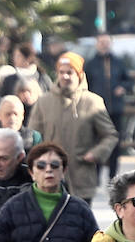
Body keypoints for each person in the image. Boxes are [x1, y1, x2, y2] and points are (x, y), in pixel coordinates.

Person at [29, 51, 118, 203]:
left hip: (81, 178)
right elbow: (32, 136)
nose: (65, 76)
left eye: (70, 72)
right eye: (61, 72)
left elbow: (110, 135)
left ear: (79, 75)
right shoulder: (44, 102)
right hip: (49, 178)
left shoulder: (93, 102)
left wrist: (95, 154)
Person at [84, 33, 135, 181]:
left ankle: (113, 177)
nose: (104, 45)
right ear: (97, 44)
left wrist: (122, 87)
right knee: (98, 143)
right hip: (97, 110)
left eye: (107, 42)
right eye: (101, 42)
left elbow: (129, 81)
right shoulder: (91, 63)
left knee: (115, 143)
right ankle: (96, 176)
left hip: (116, 109)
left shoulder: (118, 62)